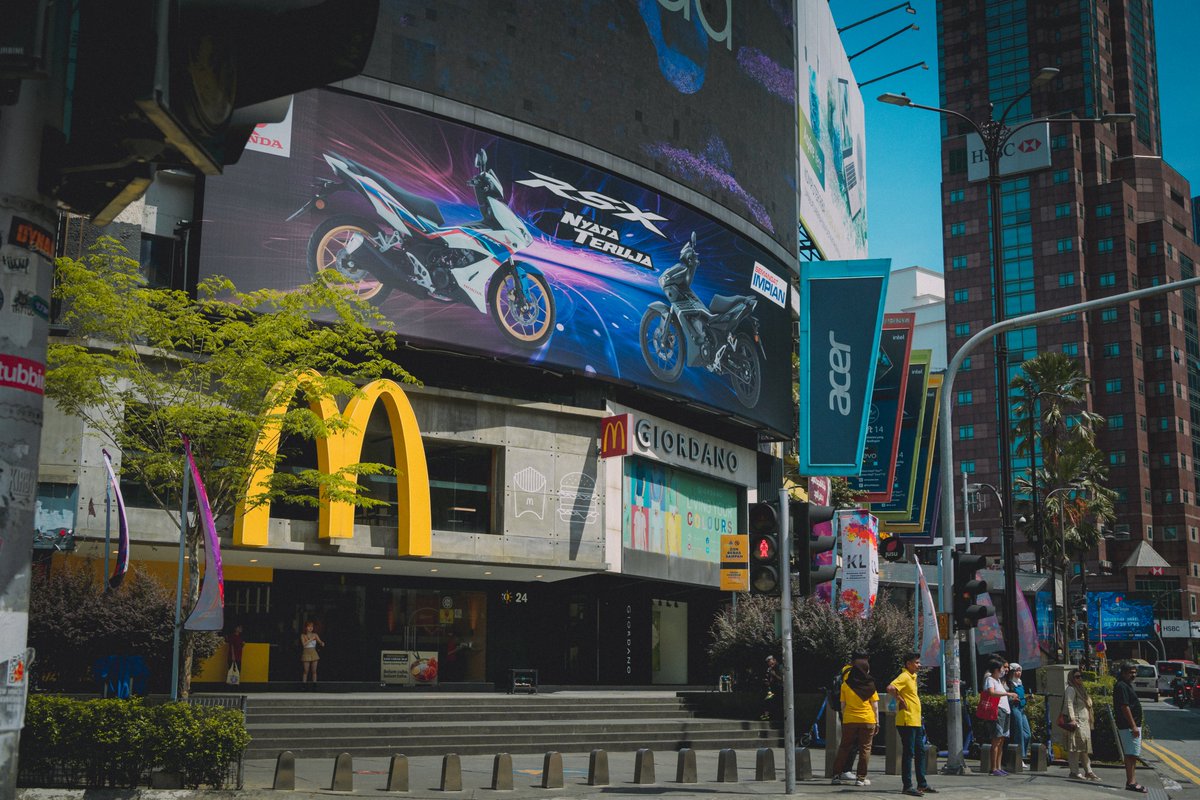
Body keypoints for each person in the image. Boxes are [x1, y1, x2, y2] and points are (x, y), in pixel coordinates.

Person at [888, 651, 937, 796]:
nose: (919, 665)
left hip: (915, 720)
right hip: (906, 721)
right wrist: (900, 699)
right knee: (909, 753)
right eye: (916, 663)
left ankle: (922, 783)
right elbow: (890, 688)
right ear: (908, 663)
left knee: (920, 752)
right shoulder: (904, 676)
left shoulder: (913, 677)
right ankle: (907, 785)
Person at [830, 653, 879, 786]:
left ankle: (836, 776)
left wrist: (846, 718)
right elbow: (874, 706)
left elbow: (843, 706)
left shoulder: (846, 685)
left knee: (844, 747)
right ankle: (861, 778)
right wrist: (877, 722)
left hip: (850, 720)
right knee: (865, 749)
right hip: (868, 720)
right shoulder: (871, 685)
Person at [982, 659, 1018, 776]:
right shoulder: (990, 680)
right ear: (996, 670)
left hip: (1005, 711)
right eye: (1002, 668)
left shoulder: (999, 681)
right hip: (998, 712)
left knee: (1001, 740)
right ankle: (993, 768)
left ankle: (998, 766)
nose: (1004, 671)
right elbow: (991, 693)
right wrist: (1008, 694)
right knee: (996, 740)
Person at [1114, 662, 1146, 793]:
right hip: (1128, 726)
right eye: (1130, 672)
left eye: (1134, 672)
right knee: (1131, 754)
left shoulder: (1126, 685)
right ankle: (1131, 782)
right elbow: (1124, 706)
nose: (1133, 675)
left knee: (1133, 754)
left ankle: (1132, 780)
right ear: (1123, 673)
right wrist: (1133, 726)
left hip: (1131, 726)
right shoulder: (1121, 686)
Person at [1062, 668, 1098, 781]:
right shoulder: (1071, 689)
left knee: (1084, 748)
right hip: (1077, 722)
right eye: (1077, 677)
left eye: (1080, 676)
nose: (1080, 678)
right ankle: (1074, 771)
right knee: (1075, 747)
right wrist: (1072, 719)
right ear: (1072, 678)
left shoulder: (1081, 689)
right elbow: (1069, 704)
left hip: (1085, 722)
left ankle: (1089, 771)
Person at [1006, 663, 1031, 769]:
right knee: (1019, 733)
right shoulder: (1008, 683)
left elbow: (1021, 696)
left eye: (1020, 671)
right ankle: (1018, 758)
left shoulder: (1020, 682)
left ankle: (1022, 755)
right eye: (1016, 671)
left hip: (1022, 709)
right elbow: (1006, 696)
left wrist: (1027, 698)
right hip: (1014, 709)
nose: (1018, 673)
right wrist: (1012, 699)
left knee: (1027, 734)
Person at [300, 621, 325, 686]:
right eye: (309, 626)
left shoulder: (315, 635)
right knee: (306, 671)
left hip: (313, 652)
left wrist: (322, 643)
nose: (310, 628)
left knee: (314, 671)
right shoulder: (303, 635)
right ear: (305, 628)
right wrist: (311, 639)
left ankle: (314, 685)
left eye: (312, 626)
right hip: (306, 652)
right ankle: (304, 685)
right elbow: (304, 644)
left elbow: (320, 642)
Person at [761, 654, 783, 721]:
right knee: (768, 700)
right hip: (773, 689)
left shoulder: (780, 667)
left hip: (779, 689)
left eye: (771, 662)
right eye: (768, 663)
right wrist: (767, 681)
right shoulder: (770, 669)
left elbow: (782, 679)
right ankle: (767, 716)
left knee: (775, 702)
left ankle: (773, 717)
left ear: (775, 660)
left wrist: (774, 675)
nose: (770, 664)